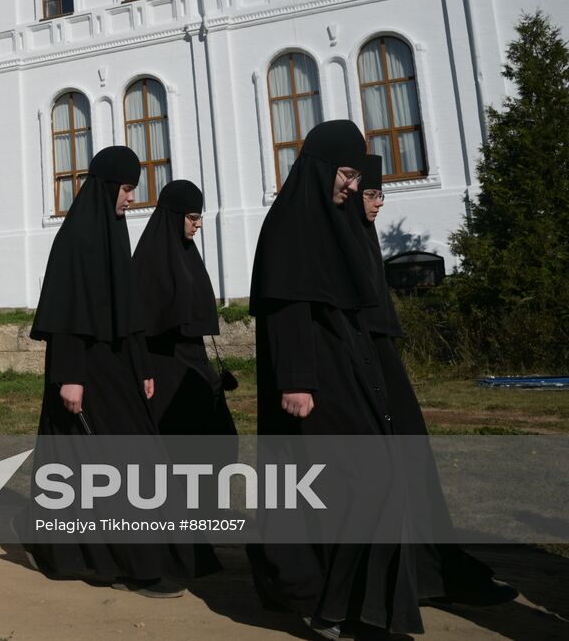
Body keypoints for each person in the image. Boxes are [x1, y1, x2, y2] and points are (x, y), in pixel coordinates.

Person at [245, 121, 421, 638]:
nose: (351, 184)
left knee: (377, 482)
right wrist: (296, 382)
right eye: (346, 173)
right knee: (365, 483)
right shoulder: (289, 224)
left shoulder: (335, 221)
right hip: (314, 380)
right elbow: (287, 308)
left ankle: (352, 609)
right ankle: (330, 605)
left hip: (349, 369)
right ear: (323, 168)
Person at [22, 147, 217, 597]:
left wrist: (143, 366)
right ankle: (136, 564)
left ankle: (72, 547)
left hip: (120, 369)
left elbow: (129, 312)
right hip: (84, 372)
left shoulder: (116, 235)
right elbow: (68, 315)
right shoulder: (76, 240)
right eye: (128, 190)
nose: (132, 199)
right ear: (110, 187)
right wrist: (70, 376)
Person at [347, 157, 516, 610]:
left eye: (381, 194)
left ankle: (433, 570)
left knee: (414, 464)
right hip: (362, 371)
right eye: (369, 194)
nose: (378, 203)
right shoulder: (338, 243)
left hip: (383, 363)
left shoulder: (363, 238)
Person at [133, 180, 237, 436]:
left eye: (199, 217)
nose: (198, 224)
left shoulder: (187, 253)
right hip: (163, 369)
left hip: (193, 363)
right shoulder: (150, 260)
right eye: (192, 217)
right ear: (175, 216)